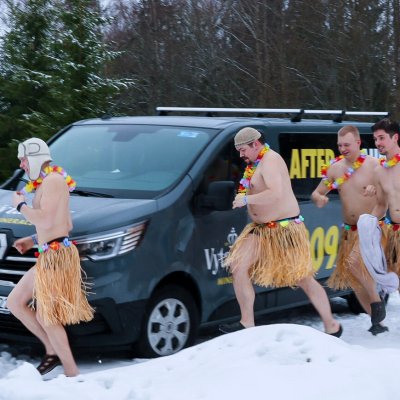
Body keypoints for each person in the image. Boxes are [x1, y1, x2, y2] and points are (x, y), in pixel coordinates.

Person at [219, 127, 342, 336]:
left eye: (243, 150)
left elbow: (275, 193)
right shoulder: (254, 164)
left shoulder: (271, 160)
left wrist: (246, 199)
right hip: (260, 229)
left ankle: (332, 325)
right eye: (238, 151)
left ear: (255, 144)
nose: (240, 155)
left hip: (284, 228)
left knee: (303, 278)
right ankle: (247, 322)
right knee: (238, 266)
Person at [7, 138, 94, 378]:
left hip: (57, 255)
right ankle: (52, 351)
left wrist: (21, 205)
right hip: (51, 252)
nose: (21, 165)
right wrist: (33, 240)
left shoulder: (53, 181)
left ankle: (72, 373)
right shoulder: (50, 181)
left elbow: (46, 220)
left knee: (47, 316)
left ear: (35, 157)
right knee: (15, 302)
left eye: (23, 160)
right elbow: (64, 223)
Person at [311, 125, 398, 335]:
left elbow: (385, 195)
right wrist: (319, 198)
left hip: (373, 228)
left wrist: (373, 189)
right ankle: (376, 321)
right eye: (340, 145)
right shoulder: (335, 168)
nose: (343, 149)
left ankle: (376, 301)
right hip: (350, 231)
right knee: (354, 276)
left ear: (358, 143)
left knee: (357, 264)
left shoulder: (374, 165)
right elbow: (317, 192)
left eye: (347, 144)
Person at [358, 119, 400, 295]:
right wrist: (366, 226)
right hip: (395, 233)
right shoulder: (379, 171)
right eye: (375, 139)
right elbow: (382, 205)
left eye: (382, 138)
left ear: (395, 137)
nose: (377, 143)